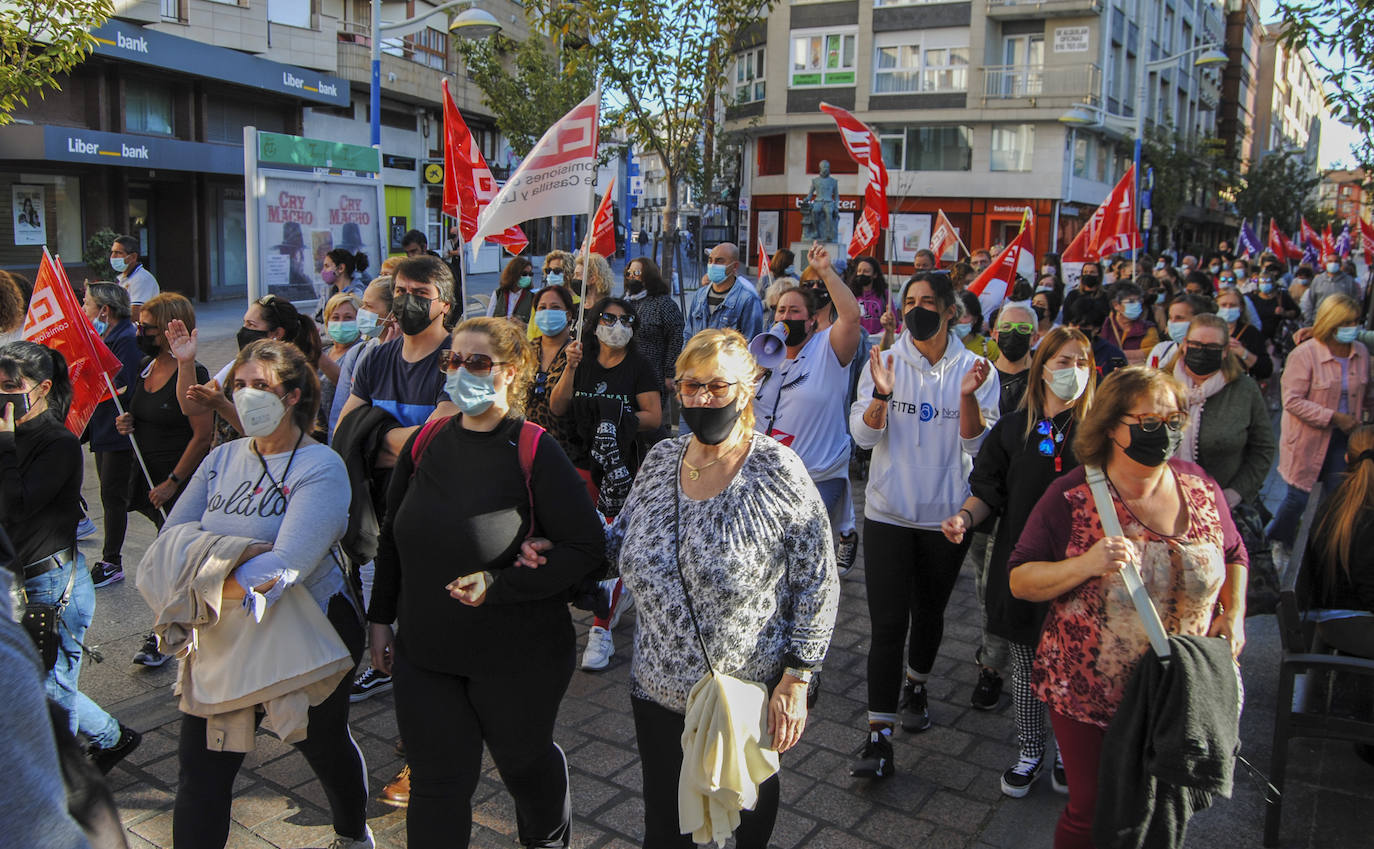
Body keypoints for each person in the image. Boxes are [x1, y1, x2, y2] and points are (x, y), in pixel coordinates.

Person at [592, 327, 838, 849]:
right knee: (665, 829)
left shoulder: (778, 471)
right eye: (690, 385)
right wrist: (560, 534)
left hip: (744, 696)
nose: (703, 398)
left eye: (718, 386)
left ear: (748, 390)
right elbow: (617, 545)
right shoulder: (661, 461)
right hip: (657, 690)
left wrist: (798, 678)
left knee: (745, 827)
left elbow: (817, 579)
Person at [368, 317, 604, 849]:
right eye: (453, 360)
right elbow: (392, 538)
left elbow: (588, 549)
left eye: (477, 362)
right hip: (426, 653)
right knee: (438, 783)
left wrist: (501, 584)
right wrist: (380, 618)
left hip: (516, 657)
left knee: (524, 767)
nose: (460, 370)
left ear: (511, 371)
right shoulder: (426, 441)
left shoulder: (533, 448)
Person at [1007, 366, 1247, 849]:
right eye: (1149, 421)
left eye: (1174, 419)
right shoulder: (1070, 496)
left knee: (1162, 806)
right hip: (1090, 693)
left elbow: (1234, 553)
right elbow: (1020, 579)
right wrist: (1083, 564)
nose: (1166, 432)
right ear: (1113, 425)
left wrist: (1234, 611)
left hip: (1177, 688)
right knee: (1092, 811)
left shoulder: (1199, 486)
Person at [152, 340, 370, 849]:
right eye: (240, 386)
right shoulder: (222, 458)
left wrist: (206, 560)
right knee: (201, 772)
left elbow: (285, 567)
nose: (247, 396)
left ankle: (352, 833)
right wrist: (246, 551)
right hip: (221, 637)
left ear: (293, 396)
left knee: (322, 744)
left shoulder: (320, 466)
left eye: (261, 386)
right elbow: (167, 545)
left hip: (307, 630)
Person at [849, 271, 1000, 778]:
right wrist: (883, 397)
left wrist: (967, 399)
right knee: (888, 625)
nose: (918, 310)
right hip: (887, 514)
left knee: (929, 612)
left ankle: (917, 682)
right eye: (910, 301)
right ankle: (877, 738)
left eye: (928, 301)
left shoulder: (978, 368)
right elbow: (864, 441)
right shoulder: (883, 361)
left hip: (946, 520)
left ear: (951, 311)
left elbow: (980, 449)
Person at [943, 327, 1095, 797]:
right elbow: (987, 491)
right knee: (1028, 669)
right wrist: (965, 519)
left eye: (1081, 362)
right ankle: (1031, 751)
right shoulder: (1013, 429)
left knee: (1072, 670)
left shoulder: (1098, 433)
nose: (1073, 372)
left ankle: (1070, 753)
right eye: (1064, 361)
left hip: (1082, 572)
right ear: (1043, 367)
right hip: (1024, 568)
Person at [0, 340, 140, 771]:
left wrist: (4, 444)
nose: (2, 394)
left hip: (53, 584)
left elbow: (12, 504)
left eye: (10, 385)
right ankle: (112, 737)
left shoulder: (58, 442)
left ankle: (66, 779)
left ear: (42, 388)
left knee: (50, 687)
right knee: (31, 680)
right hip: (15, 578)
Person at [335, 257, 459, 729]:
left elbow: (433, 442)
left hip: (429, 518)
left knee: (427, 633)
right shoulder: (376, 358)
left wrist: (370, 437)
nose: (405, 301)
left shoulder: (456, 360)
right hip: (373, 513)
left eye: (419, 294)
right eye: (400, 290)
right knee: (382, 613)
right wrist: (388, 439)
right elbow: (344, 428)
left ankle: (424, 737)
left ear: (444, 305)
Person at [554, 297, 662, 670]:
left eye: (625, 320)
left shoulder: (639, 367)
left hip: (620, 471)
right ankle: (609, 597)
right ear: (596, 321)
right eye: (609, 318)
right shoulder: (578, 359)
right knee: (581, 544)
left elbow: (654, 416)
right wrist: (568, 368)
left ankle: (600, 630)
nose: (617, 325)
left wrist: (615, 417)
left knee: (610, 547)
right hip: (579, 466)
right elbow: (558, 406)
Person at [754, 243, 863, 577]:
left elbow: (851, 316)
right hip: (767, 475)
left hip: (818, 471)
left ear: (814, 321)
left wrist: (826, 272)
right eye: (780, 310)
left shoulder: (829, 348)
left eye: (795, 311)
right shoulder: (762, 349)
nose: (785, 317)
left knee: (797, 547)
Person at [118, 293, 214, 667]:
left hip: (180, 484)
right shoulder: (146, 366)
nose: (140, 333)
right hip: (149, 477)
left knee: (175, 562)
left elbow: (202, 435)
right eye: (139, 326)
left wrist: (174, 481)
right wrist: (127, 422)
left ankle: (167, 633)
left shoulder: (194, 373)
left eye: (148, 328)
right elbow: (141, 412)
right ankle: (174, 626)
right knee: (168, 561)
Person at [1266, 294, 1372, 560]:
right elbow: (1291, 401)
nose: (1352, 327)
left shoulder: (1360, 352)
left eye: (1355, 322)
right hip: (1308, 439)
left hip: (1346, 438)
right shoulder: (1305, 354)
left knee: (1337, 496)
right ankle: (1277, 540)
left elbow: (1365, 391)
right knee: (1297, 498)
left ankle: (1321, 546)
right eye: (1345, 322)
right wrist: (1334, 416)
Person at [1167, 312, 1275, 523]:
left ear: (1225, 351)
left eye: (1212, 348)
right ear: (1185, 345)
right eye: (1196, 344)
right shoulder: (1160, 386)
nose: (1202, 352)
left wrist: (1237, 491)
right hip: (1165, 506)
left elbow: (1263, 448)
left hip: (1223, 509)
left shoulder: (1244, 390)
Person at [81, 283, 143, 589]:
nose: (83, 308)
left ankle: (112, 560)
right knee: (109, 494)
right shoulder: (103, 337)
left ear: (105, 310)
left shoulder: (126, 339)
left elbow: (125, 387)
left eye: (86, 302)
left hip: (119, 432)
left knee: (115, 496)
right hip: (103, 428)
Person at [1305, 425, 1374, 658]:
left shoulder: (1341, 500)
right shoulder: (1366, 513)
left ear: (1347, 458)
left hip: (1334, 614)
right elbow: (1369, 588)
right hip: (1353, 623)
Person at [623, 256, 684, 446]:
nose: (632, 276)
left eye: (637, 273)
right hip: (627, 372)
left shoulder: (663, 304)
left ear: (648, 275)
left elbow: (675, 338)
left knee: (652, 425)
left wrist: (669, 373)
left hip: (653, 373)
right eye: (629, 273)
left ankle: (666, 452)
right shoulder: (625, 302)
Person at [329, 276, 397, 434]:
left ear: (392, 313)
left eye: (368, 306)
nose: (362, 311)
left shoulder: (407, 355)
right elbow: (339, 410)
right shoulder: (358, 352)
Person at [525, 285, 579, 456]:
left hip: (565, 450)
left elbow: (561, 407)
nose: (548, 312)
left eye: (555, 307)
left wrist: (570, 367)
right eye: (542, 308)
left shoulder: (577, 353)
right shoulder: (526, 350)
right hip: (527, 445)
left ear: (568, 314)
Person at [684, 242, 765, 343]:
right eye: (710, 260)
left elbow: (751, 343)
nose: (713, 265)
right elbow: (688, 334)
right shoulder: (699, 295)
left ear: (734, 266)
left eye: (719, 261)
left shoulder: (748, 299)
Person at [320, 293, 364, 438]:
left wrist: (317, 356)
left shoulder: (362, 352)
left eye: (348, 318)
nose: (341, 323)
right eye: (335, 318)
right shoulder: (324, 350)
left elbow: (347, 384)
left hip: (340, 434)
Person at [1214, 287, 1272, 379]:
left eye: (1232, 305)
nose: (1228, 309)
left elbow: (1266, 370)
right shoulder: (1208, 331)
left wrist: (1242, 352)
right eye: (1223, 305)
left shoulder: (1251, 333)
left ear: (1241, 307)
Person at [1145, 293, 1212, 369]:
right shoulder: (1161, 349)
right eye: (1170, 318)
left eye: (1179, 318)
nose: (1172, 322)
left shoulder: (1210, 354)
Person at [1065, 297, 1126, 379]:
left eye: (1084, 326)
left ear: (1097, 328)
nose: (1077, 330)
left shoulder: (1114, 355)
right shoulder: (1058, 350)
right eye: (1073, 324)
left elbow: (1123, 383)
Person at [1099, 282, 1158, 365]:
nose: (1136, 305)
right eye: (1131, 301)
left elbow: (1153, 353)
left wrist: (1114, 354)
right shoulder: (1104, 326)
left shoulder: (1147, 328)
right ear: (1116, 305)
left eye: (1139, 301)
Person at [110, 234, 158, 324]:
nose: (112, 257)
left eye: (118, 253)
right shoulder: (124, 278)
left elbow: (135, 314)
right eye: (112, 252)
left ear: (133, 257)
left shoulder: (141, 279)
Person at [1301, 253, 1361, 325]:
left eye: (1336, 261)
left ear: (1340, 264)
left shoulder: (1349, 281)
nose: (1333, 263)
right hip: (1320, 321)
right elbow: (1310, 302)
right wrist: (1309, 320)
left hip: (1341, 322)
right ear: (1326, 263)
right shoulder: (1318, 280)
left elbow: (1355, 303)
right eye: (1330, 261)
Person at [316, 247, 368, 321]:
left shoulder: (359, 294)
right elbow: (317, 318)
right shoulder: (328, 293)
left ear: (341, 268)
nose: (323, 271)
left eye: (327, 266)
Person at [487, 256, 536, 324]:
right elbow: (488, 320)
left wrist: (523, 325)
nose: (528, 277)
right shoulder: (498, 294)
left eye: (530, 274)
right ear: (514, 273)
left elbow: (534, 326)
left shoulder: (532, 297)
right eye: (524, 274)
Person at [847, 255, 888, 337]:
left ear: (875, 274)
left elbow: (893, 320)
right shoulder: (850, 295)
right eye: (859, 271)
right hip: (856, 340)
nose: (861, 274)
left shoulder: (884, 294)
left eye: (866, 271)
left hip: (878, 340)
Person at [956, 291, 1000, 360]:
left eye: (964, 316)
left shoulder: (989, 348)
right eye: (956, 315)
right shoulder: (941, 346)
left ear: (975, 319)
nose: (959, 320)